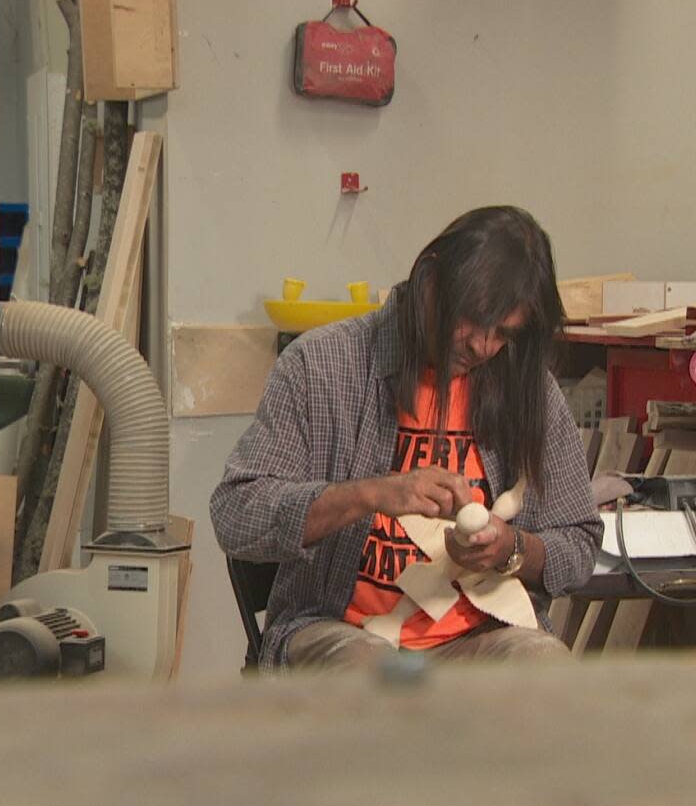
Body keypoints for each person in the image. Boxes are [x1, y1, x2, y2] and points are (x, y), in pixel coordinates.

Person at [210, 206, 602, 670]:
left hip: (477, 637)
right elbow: (236, 514)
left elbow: (578, 543)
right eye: (473, 319)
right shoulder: (321, 367)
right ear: (430, 280)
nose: (483, 346)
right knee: (372, 681)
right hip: (343, 632)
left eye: (503, 334)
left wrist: (511, 548)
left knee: (547, 670)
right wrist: (371, 494)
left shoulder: (528, 389)